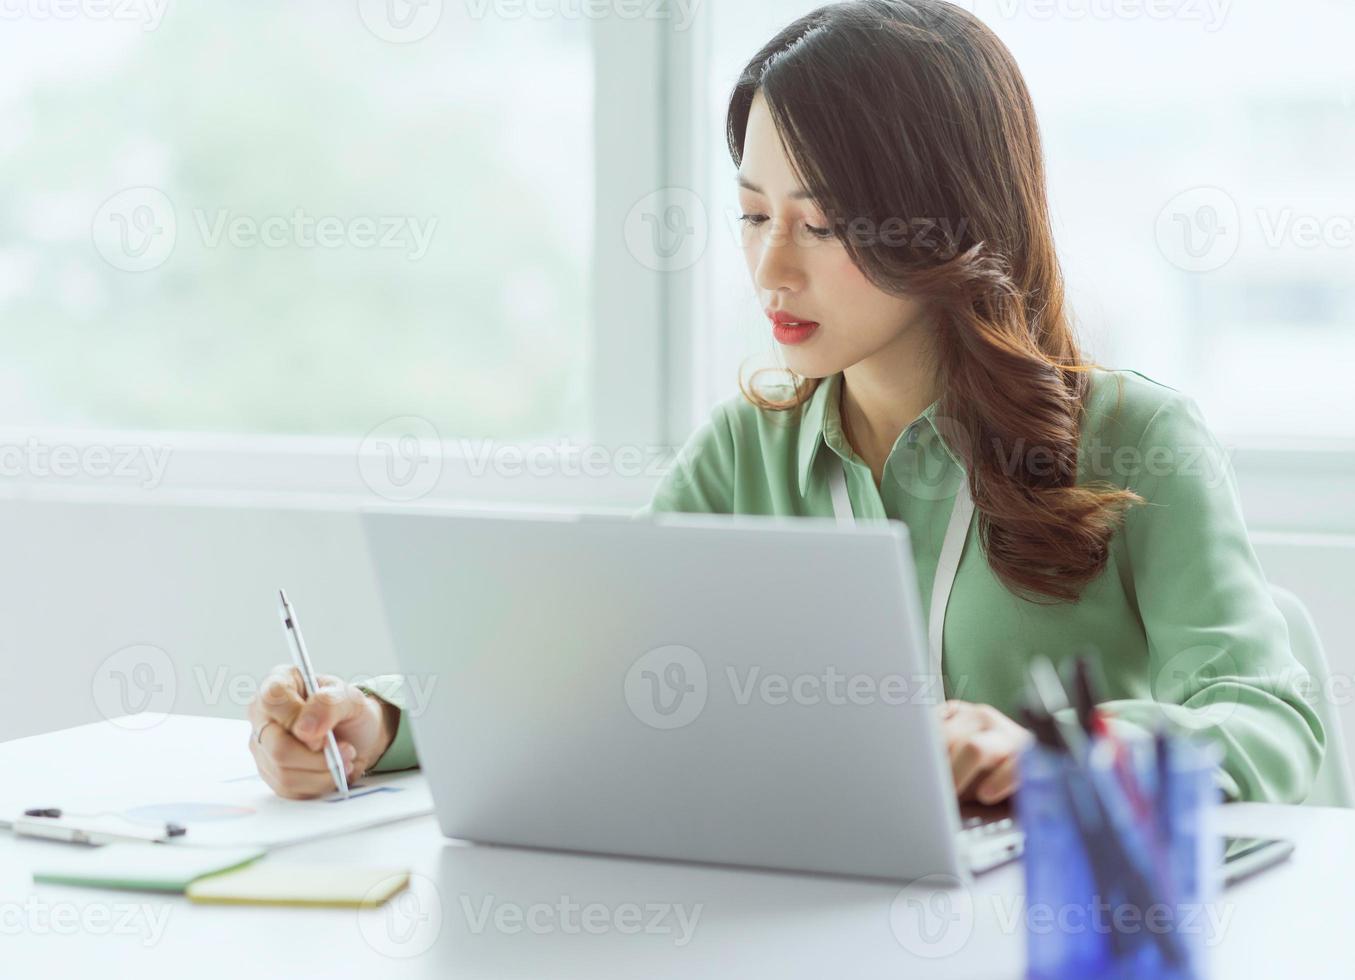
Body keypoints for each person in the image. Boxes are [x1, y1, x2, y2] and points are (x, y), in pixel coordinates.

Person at [248, 0, 1323, 806]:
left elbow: (1269, 726)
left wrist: (1046, 745)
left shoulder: (1137, 441)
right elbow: (586, 669)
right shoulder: (745, 451)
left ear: (940, 221)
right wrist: (380, 716)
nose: (769, 271)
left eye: (818, 224)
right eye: (752, 214)